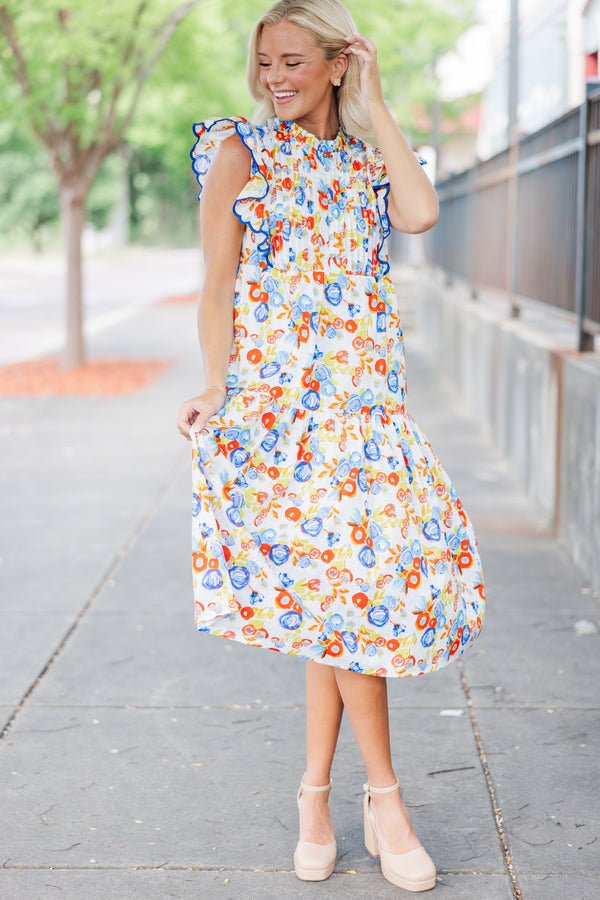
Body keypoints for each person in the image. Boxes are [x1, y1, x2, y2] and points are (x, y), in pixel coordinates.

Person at [177, 0, 486, 891]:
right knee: (344, 598)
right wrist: (214, 384)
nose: (275, 77)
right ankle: (382, 798)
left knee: (343, 601)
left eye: (293, 61)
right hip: (280, 416)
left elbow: (422, 215)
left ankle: (316, 792)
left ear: (337, 64)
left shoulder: (366, 160)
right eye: (265, 61)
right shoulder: (239, 149)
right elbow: (215, 289)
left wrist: (379, 99)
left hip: (367, 412)